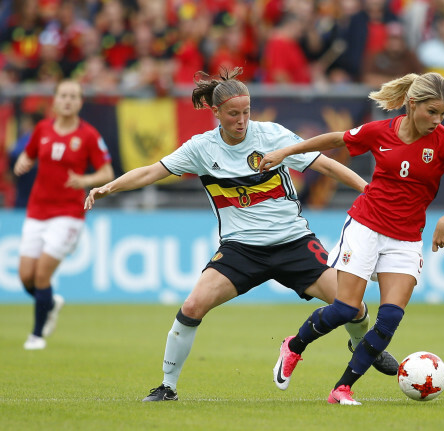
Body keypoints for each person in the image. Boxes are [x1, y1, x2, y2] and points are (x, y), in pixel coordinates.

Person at [83, 67, 398, 402]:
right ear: (215, 112)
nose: (242, 120)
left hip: (293, 243)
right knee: (192, 305)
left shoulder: (273, 135)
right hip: (241, 250)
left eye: (246, 112)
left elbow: (326, 165)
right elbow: (151, 172)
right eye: (233, 114)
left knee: (353, 305)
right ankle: (167, 387)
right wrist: (109, 187)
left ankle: (362, 344)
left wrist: (367, 189)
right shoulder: (201, 148)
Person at [259, 72, 444, 405]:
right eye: (432, 112)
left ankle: (342, 389)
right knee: (346, 309)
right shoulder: (380, 131)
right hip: (366, 226)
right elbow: (335, 139)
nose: (437, 121)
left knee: (390, 317)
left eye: (443, 114)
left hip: (406, 239)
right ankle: (293, 347)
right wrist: (286, 152)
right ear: (411, 105)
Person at [14, 79, 114, 350]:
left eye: (73, 96)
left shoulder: (89, 135)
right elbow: (30, 154)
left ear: (80, 102)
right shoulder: (42, 129)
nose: (68, 100)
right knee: (25, 276)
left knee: (42, 275)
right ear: (55, 100)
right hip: (37, 210)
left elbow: (107, 173)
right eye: (63, 95)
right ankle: (50, 302)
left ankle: (36, 335)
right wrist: (25, 160)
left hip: (68, 213)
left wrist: (84, 180)